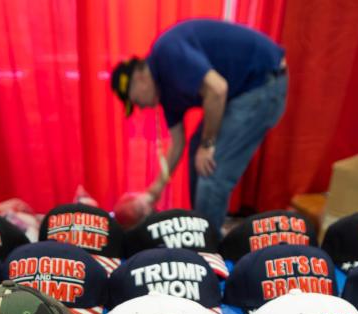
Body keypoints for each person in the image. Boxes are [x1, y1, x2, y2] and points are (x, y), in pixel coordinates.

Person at [111, 19, 287, 229]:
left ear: (139, 78)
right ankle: (201, 228)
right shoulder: (164, 93)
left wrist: (208, 145)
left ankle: (206, 248)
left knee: (211, 171)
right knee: (197, 154)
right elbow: (177, 144)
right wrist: (153, 192)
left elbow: (217, 89)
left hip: (264, 82)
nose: (141, 107)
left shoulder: (167, 53)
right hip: (241, 90)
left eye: (136, 101)